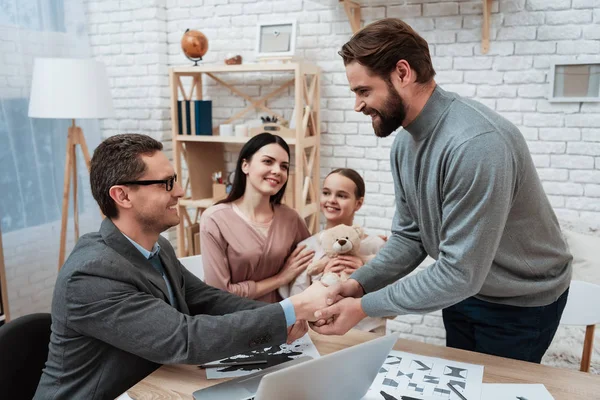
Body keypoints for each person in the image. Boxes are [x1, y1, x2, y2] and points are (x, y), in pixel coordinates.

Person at [312, 18, 572, 364]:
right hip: (466, 290)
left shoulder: (476, 145)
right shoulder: (404, 144)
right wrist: (359, 283)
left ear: (402, 73)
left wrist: (362, 307)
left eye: (363, 91)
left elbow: (458, 273)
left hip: (521, 303)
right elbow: (409, 237)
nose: (357, 105)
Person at [34, 134, 330, 400]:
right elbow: (185, 338)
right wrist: (289, 310)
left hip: (150, 386)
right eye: (166, 184)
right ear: (122, 195)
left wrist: (284, 315)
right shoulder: (91, 274)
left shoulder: (158, 247)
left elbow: (206, 298)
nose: (179, 192)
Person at [201, 133, 314, 303]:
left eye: (284, 166)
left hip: (283, 320)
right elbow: (219, 294)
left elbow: (311, 265)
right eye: (268, 161)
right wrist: (280, 279)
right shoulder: (214, 219)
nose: (277, 171)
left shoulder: (291, 218)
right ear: (245, 165)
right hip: (234, 322)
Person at [280, 168, 386, 332]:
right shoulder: (307, 247)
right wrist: (323, 281)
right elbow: (297, 303)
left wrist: (365, 278)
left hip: (368, 335)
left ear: (358, 203)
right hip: (323, 335)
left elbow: (392, 309)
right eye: (326, 193)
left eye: (342, 195)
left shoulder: (376, 246)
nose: (331, 200)